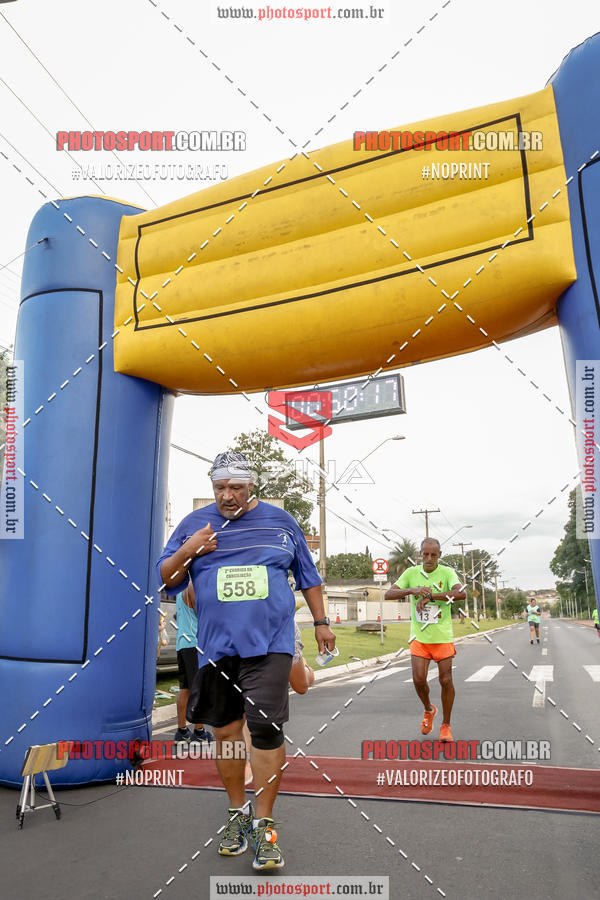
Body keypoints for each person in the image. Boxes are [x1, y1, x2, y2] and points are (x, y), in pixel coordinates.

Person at [157, 450, 335, 871]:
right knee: (227, 733)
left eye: (235, 487)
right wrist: (191, 549)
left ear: (251, 486)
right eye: (220, 488)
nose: (227, 496)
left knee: (266, 729)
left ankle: (266, 826)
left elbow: (308, 576)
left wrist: (322, 622)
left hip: (270, 645)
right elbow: (165, 577)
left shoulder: (280, 521)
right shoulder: (192, 526)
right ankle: (238, 814)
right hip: (217, 649)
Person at [385, 538, 466, 742]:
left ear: (440, 555)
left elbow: (461, 593)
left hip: (442, 636)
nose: (429, 558)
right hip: (419, 637)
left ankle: (446, 725)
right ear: (420, 554)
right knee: (419, 679)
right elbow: (389, 593)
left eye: (433, 555)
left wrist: (432, 597)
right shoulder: (411, 573)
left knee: (445, 680)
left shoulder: (447, 573)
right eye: (425, 554)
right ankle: (429, 710)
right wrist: (412, 590)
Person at [173, 582, 213, 744]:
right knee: (199, 689)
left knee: (185, 689)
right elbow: (201, 613)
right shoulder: (192, 586)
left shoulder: (180, 588)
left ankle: (182, 731)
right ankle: (199, 731)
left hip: (182, 643)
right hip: (194, 643)